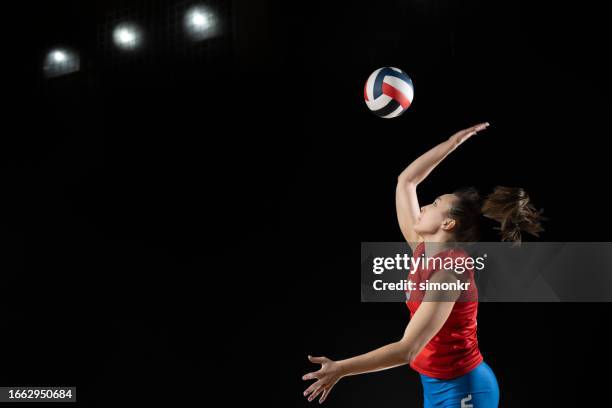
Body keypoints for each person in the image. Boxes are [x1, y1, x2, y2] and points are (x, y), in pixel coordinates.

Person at [302, 123, 545, 406]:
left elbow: (407, 350)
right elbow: (406, 181)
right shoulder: (423, 250)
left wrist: (341, 368)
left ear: (447, 223)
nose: (425, 206)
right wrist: (452, 142)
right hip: (435, 383)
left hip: (465, 390)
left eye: (435, 202)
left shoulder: (447, 276)